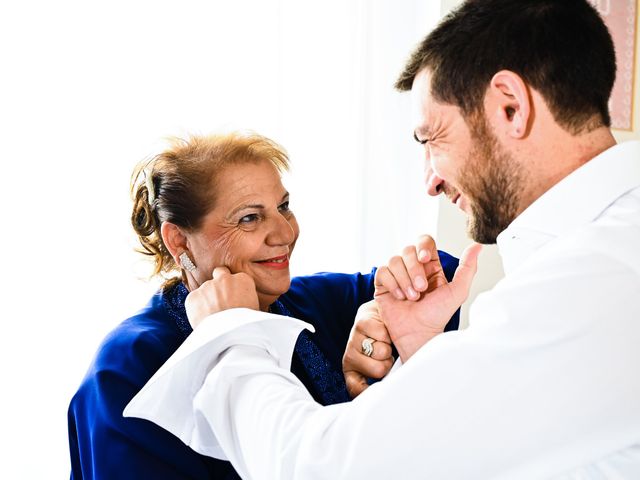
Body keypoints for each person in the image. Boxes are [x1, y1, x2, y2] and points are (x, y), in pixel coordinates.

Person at [125, 0, 640, 478]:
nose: (430, 181)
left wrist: (231, 337)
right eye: (249, 217)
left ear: (510, 106)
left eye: (431, 139)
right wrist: (427, 361)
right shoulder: (606, 252)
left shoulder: (589, 286)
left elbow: (322, 469)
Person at [67, 131, 460, 479]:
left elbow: (439, 275)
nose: (286, 233)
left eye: (284, 206)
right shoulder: (128, 367)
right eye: (250, 218)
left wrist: (381, 313)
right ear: (180, 242)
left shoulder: (304, 302)